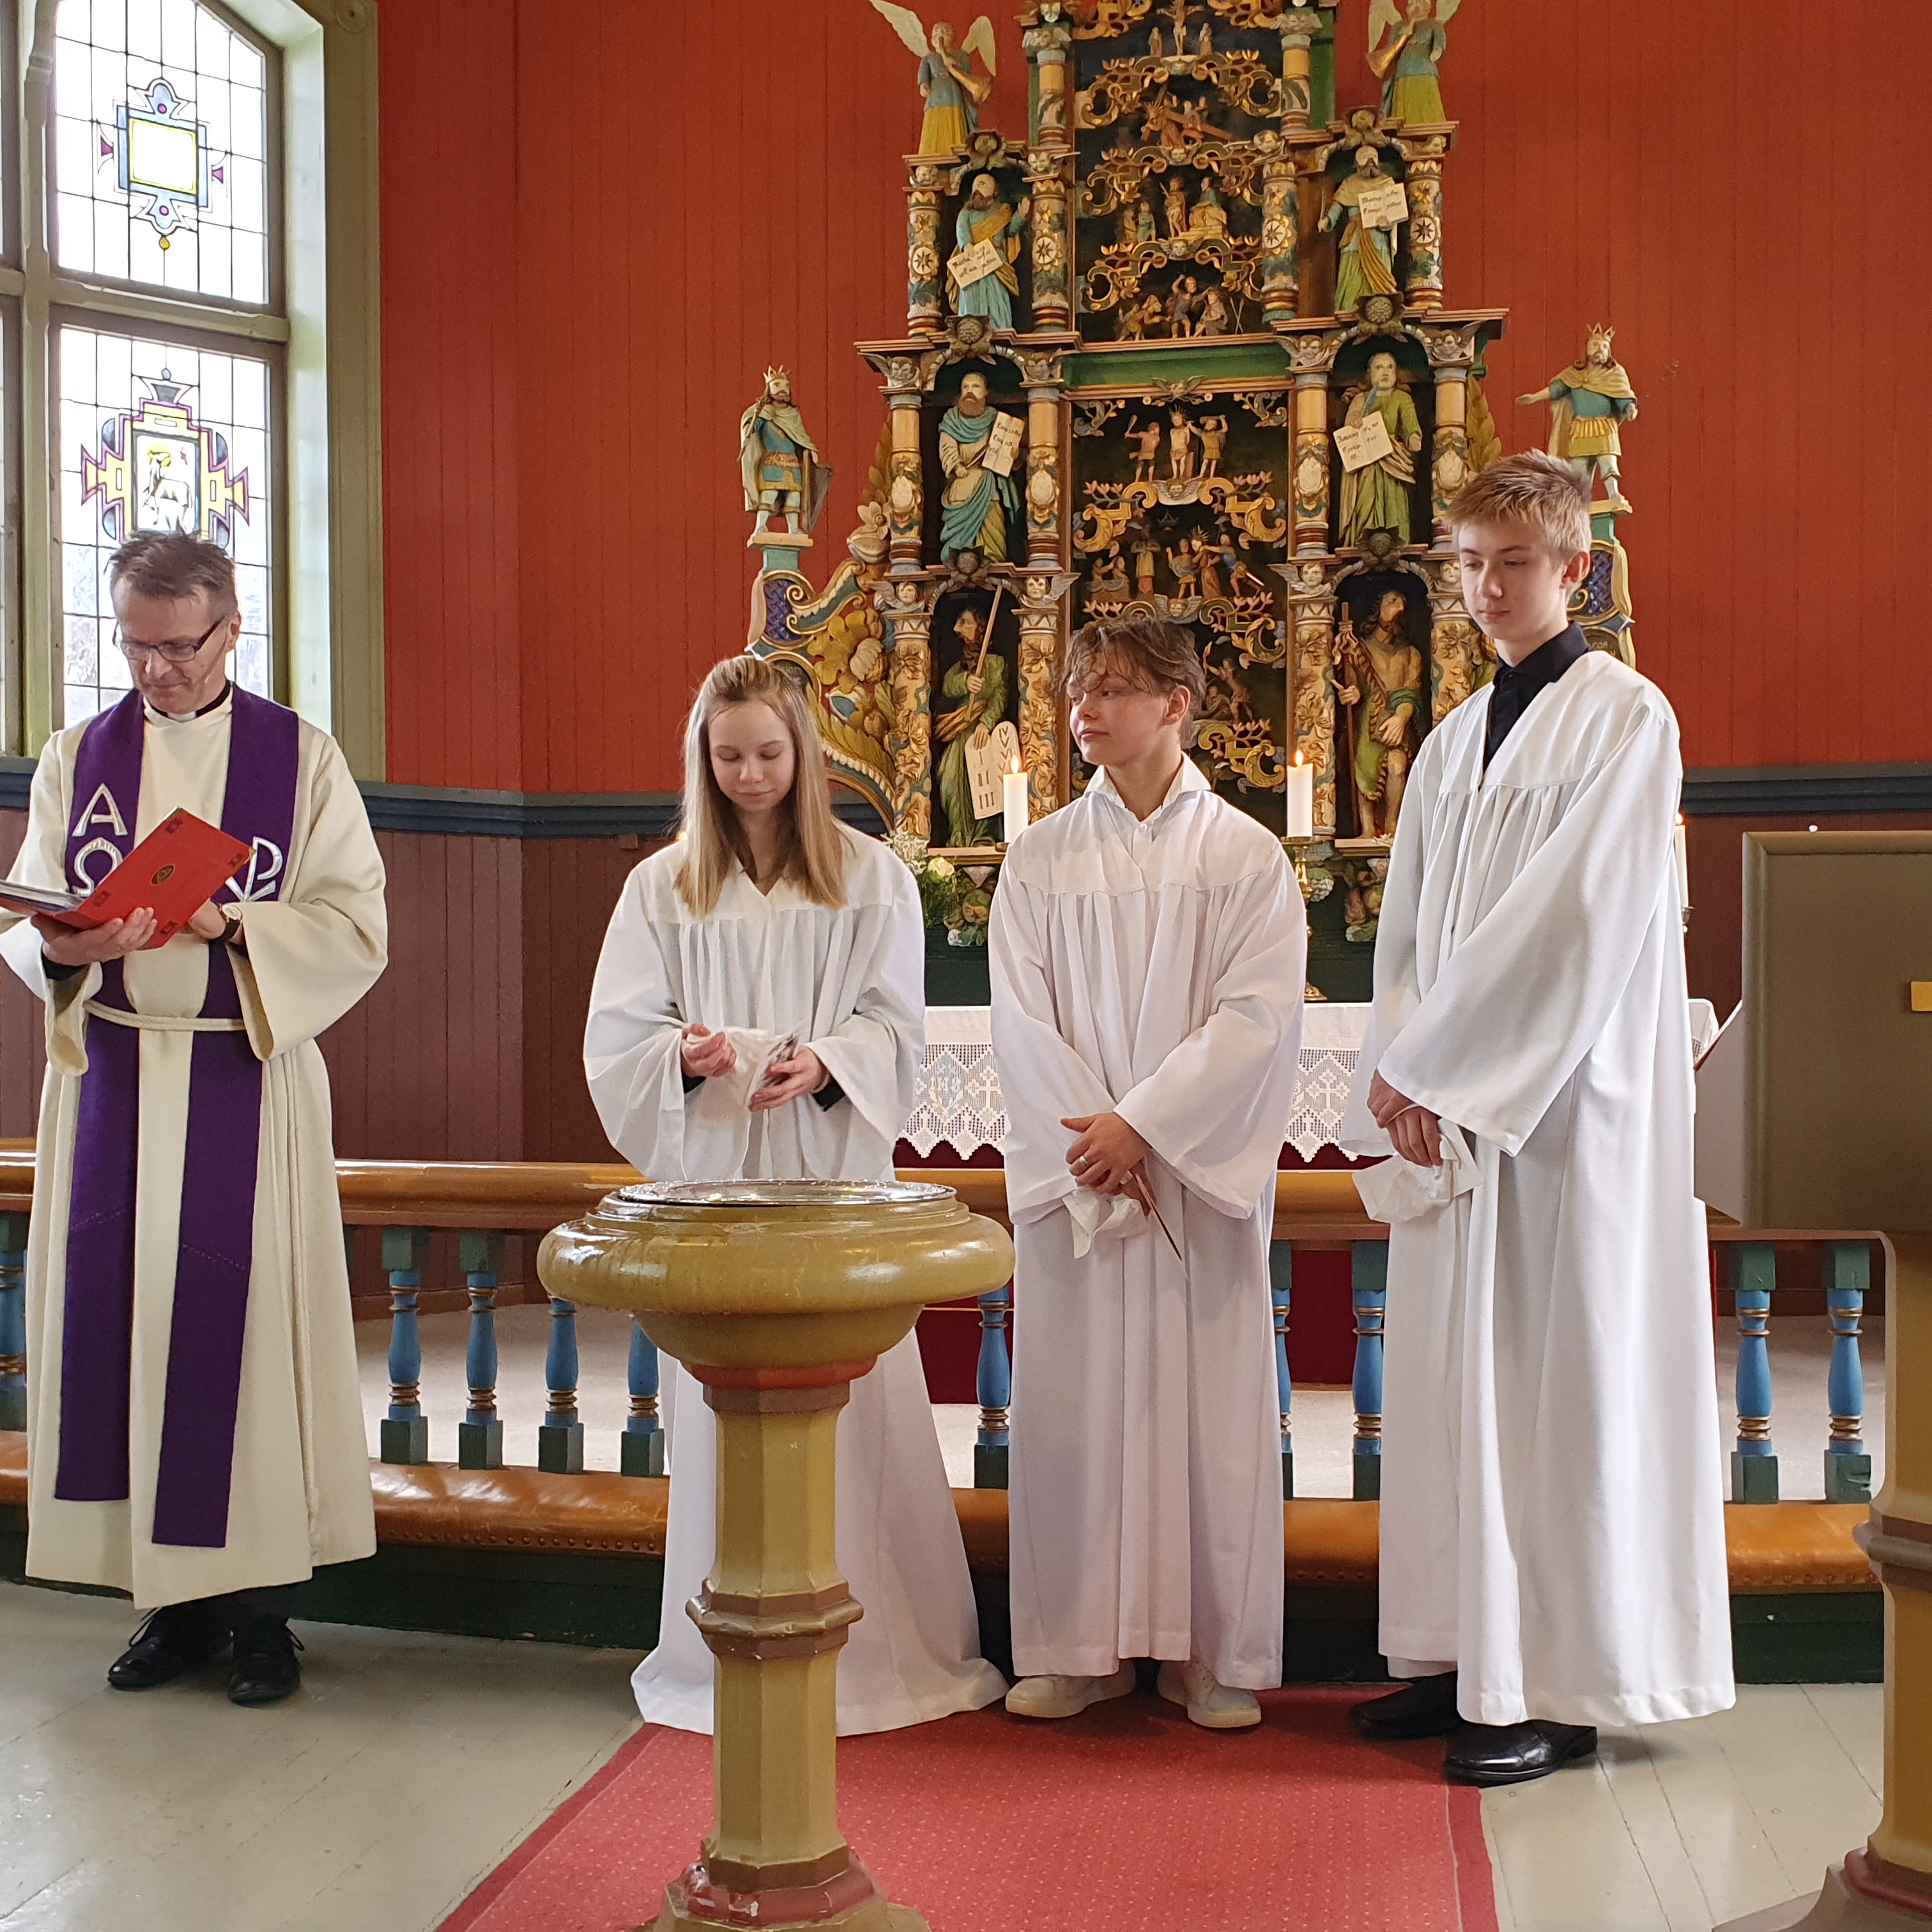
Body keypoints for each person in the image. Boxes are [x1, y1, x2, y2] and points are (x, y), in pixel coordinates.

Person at [1339, 452, 1733, 1785]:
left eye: (1514, 563)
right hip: (1457, 1116)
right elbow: (1409, 936)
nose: (1487, 585)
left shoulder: (1628, 718)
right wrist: (1401, 1061)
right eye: (1467, 563)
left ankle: (1552, 1683)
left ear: (1574, 569)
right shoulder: (1454, 738)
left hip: (1564, 1118)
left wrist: (1441, 1067)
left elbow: (1571, 925)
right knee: (1459, 1386)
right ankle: (1462, 1656)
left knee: (1552, 1390)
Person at [583, 653, 1004, 1736]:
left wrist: (826, 1065)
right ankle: (722, 1650)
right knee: (723, 1427)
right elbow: (616, 1041)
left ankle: (876, 1652)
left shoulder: (873, 879)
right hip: (715, 1185)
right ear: (701, 759)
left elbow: (895, 1030)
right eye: (728, 757)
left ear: (806, 754)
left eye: (770, 753)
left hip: (829, 1191)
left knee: (853, 1421)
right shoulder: (662, 886)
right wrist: (683, 1051)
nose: (750, 775)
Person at [0, 532, 387, 1705]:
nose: (156, 669)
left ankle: (264, 1619)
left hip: (242, 1082)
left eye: (179, 646)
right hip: (113, 1078)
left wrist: (235, 930)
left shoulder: (299, 759)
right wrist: (72, 943)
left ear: (232, 633)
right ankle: (168, 1609)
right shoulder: (82, 755)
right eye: (135, 644)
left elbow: (357, 926)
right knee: (131, 1340)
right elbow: (29, 916)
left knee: (248, 1347)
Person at [990, 618, 1305, 1731]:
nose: (1088, 707)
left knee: (1206, 1414)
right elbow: (1018, 1020)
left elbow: (1261, 1017)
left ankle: (1208, 1652)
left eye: (1116, 689)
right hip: (1087, 1186)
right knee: (1074, 1410)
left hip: (1183, 1183)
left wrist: (1148, 1127)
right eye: (1079, 687)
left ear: (1179, 703)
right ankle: (1077, 1646)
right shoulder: (1038, 860)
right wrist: (1096, 1143)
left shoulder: (1244, 856)